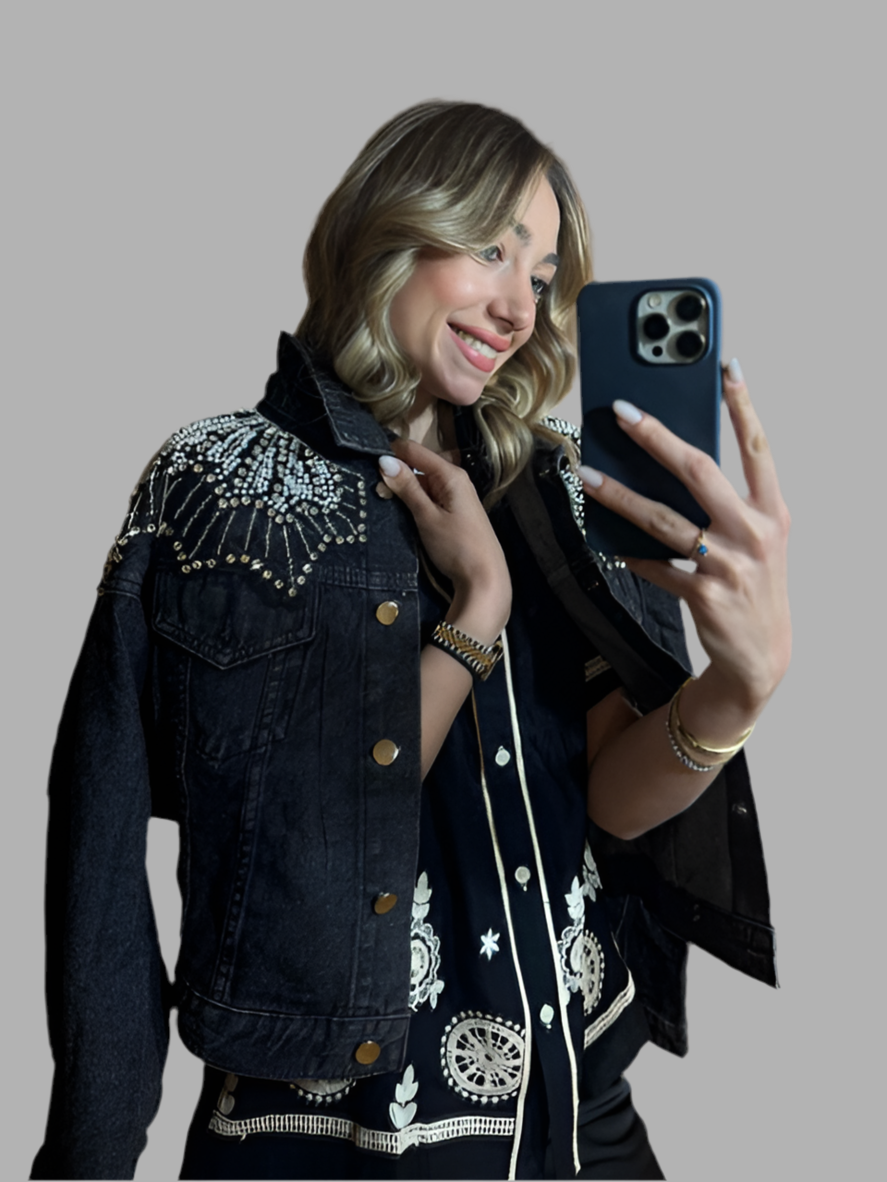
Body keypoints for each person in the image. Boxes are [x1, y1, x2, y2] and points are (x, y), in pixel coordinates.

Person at [30, 101, 791, 1180]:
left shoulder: (562, 488)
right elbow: (196, 842)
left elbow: (606, 808)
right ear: (394, 224)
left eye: (541, 276)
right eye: (490, 249)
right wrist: (476, 611)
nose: (518, 306)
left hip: (581, 1117)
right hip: (333, 1141)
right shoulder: (228, 487)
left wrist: (736, 691)